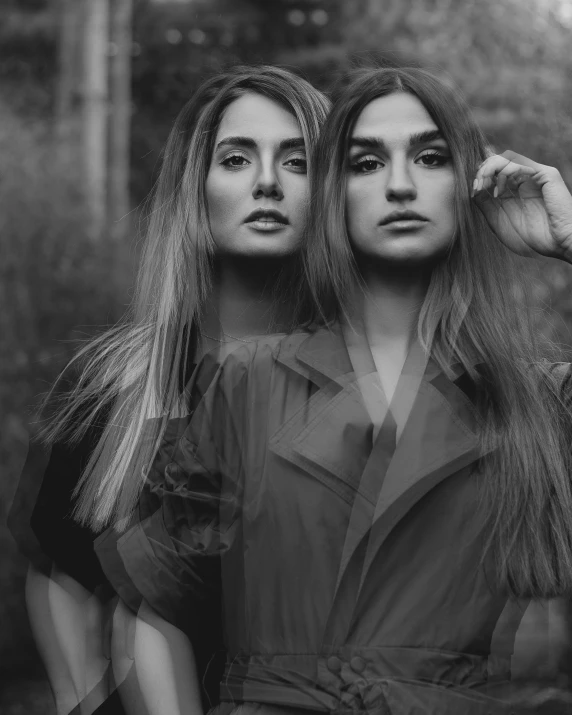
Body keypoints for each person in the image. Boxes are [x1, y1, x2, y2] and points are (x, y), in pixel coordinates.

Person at [110, 65, 572, 715]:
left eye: (430, 157)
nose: (401, 184)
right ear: (333, 195)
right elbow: (156, 605)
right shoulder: (247, 380)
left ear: (467, 185)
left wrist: (570, 242)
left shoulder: (539, 400)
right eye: (366, 162)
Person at [8, 65, 329, 715]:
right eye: (237, 158)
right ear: (196, 187)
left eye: (297, 161)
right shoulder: (109, 385)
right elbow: (59, 566)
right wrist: (84, 700)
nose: (267, 181)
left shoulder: (373, 385)